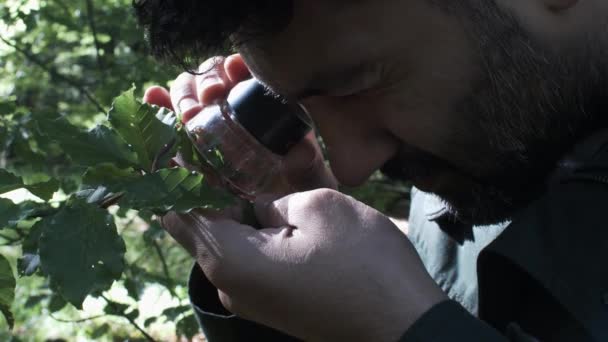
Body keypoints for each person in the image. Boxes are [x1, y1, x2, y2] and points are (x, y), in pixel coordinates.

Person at [135, 0, 608, 340]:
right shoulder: (476, 161)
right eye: (299, 107)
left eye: (358, 85)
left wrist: (405, 330)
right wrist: (289, 302)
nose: (351, 167)